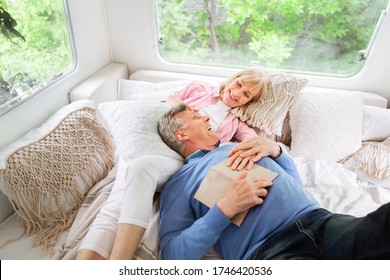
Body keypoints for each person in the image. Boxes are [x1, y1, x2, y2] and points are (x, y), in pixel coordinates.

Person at [76, 68, 270, 260]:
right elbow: (167, 101)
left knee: (133, 178)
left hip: (180, 160)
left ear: (249, 102)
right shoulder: (199, 88)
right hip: (159, 141)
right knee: (117, 200)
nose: (237, 93)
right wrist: (185, 110)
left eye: (246, 94)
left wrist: (266, 147)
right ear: (233, 79)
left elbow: (254, 142)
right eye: (239, 84)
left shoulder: (236, 123)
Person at [157, 103, 390, 260]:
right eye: (196, 117)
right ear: (181, 135)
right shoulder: (179, 183)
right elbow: (171, 255)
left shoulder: (239, 146)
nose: (207, 116)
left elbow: (295, 186)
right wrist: (225, 209)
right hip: (271, 249)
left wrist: (276, 150)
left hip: (322, 221)